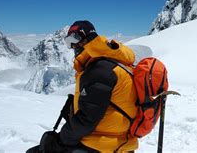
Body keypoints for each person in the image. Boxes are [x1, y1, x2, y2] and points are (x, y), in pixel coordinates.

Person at [30, 20, 138, 152]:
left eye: (72, 40)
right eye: (67, 42)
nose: (71, 47)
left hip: (101, 145)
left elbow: (87, 120)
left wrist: (59, 141)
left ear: (84, 38)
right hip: (115, 140)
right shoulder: (112, 64)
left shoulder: (100, 69)